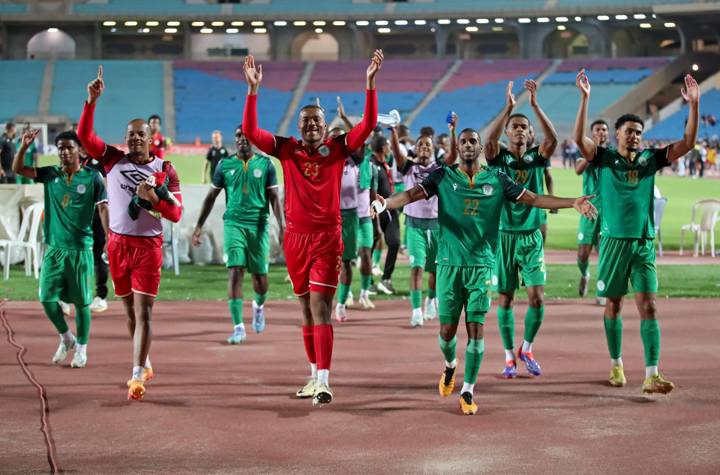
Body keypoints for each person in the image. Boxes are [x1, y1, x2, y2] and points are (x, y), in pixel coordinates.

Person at [372, 127, 596, 415]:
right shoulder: (444, 175)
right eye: (462, 141)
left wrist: (571, 203)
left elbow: (533, 198)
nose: (466, 145)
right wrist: (385, 202)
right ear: (459, 146)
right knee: (447, 331)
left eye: (472, 141)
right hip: (449, 265)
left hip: (481, 265)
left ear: (480, 148)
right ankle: (451, 366)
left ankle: (468, 390)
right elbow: (411, 195)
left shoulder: (498, 178)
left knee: (476, 330)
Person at [242, 50, 382, 406]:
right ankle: (312, 374)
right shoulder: (287, 150)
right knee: (304, 309)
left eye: (316, 121)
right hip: (295, 240)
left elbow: (366, 126)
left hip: (326, 239)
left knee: (320, 306)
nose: (311, 126)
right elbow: (250, 132)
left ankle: (324, 380)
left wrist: (369, 85)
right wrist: (253, 92)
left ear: (324, 125)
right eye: (305, 121)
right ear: (298, 125)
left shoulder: (338, 149)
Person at [575, 70, 700, 393]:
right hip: (614, 242)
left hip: (643, 243)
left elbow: (687, 143)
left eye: (639, 132)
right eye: (629, 131)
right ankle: (616, 365)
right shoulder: (603, 159)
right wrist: (585, 99)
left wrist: (694, 106)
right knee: (613, 305)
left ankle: (651, 373)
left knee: (650, 306)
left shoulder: (649, 160)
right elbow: (579, 141)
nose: (634, 136)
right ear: (616, 134)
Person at [78, 65, 184, 400]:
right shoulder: (112, 160)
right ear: (125, 139)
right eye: (130, 134)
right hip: (118, 244)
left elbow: (177, 214)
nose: (135, 138)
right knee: (127, 311)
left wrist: (155, 200)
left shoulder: (165, 170)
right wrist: (91, 102)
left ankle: (137, 374)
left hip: (147, 247)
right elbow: (84, 138)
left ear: (151, 138)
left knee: (145, 311)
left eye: (141, 134)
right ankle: (145, 360)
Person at [12, 128, 108, 368]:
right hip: (54, 248)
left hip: (80, 249)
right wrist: (23, 146)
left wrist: (109, 237)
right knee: (46, 298)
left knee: (82, 303)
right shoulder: (50, 174)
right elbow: (18, 169)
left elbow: (103, 209)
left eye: (69, 147)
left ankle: (82, 349)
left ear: (79, 150)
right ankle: (67, 338)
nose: (64, 152)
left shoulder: (93, 177)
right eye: (61, 148)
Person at [485, 80, 559, 379]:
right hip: (503, 235)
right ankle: (508, 357)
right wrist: (509, 108)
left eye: (523, 127)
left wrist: (536, 106)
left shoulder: (537, 159)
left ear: (530, 134)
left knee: (537, 298)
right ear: (507, 132)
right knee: (504, 298)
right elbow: (487, 141)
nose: (518, 129)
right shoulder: (498, 157)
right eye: (513, 126)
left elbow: (552, 139)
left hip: (530, 236)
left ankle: (526, 348)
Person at [192, 126, 283, 342]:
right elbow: (211, 197)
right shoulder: (225, 165)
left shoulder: (266, 164)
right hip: (233, 224)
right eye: (238, 136)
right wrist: (198, 227)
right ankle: (238, 327)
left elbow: (274, 199)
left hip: (259, 226)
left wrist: (283, 227)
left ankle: (259, 306)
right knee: (235, 272)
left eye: (246, 136)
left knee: (260, 278)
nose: (242, 139)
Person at [389, 124, 443, 327]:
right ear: (416, 149)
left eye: (428, 144)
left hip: (437, 226)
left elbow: (455, 154)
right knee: (416, 268)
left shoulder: (440, 169)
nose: (424, 147)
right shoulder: (409, 167)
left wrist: (453, 131)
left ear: (433, 148)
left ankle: (431, 299)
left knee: (436, 269)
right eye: (420, 144)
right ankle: (416, 310)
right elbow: (396, 153)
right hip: (414, 226)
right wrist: (394, 132)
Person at [575, 117, 610, 306]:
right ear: (592, 133)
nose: (601, 132)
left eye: (604, 130)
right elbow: (578, 170)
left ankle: (601, 291)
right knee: (582, 254)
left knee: (605, 253)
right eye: (598, 129)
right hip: (588, 209)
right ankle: (585, 273)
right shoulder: (584, 155)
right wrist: (592, 151)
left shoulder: (613, 155)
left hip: (608, 212)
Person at [370, 135, 400, 296]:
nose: (389, 149)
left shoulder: (384, 164)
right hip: (377, 210)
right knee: (369, 247)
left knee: (394, 243)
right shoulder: (371, 165)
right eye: (388, 146)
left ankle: (386, 280)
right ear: (382, 148)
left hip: (390, 209)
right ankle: (368, 283)